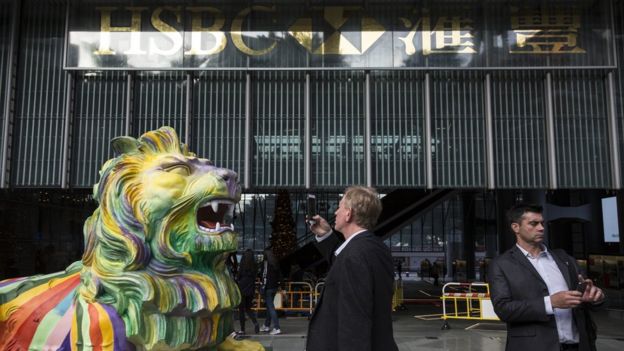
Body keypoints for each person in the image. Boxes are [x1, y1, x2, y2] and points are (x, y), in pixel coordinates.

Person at [488, 203, 605, 351]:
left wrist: (595, 297)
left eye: (542, 223)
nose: (541, 228)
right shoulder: (501, 264)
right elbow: (503, 309)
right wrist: (550, 303)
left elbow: (585, 298)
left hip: (579, 345)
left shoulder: (564, 258)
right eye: (533, 223)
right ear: (515, 227)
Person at [306, 186, 398, 351]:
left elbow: (354, 322)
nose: (335, 212)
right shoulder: (373, 248)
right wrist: (325, 235)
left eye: (339, 207)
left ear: (348, 214)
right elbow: (341, 258)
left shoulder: (355, 257)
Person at [236, 249, 260, 335]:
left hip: (242, 288)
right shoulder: (254, 265)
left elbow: (238, 276)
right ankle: (255, 322)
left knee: (241, 310)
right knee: (248, 308)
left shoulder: (242, 265)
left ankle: (242, 329)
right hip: (251, 288)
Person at [259, 248, 282, 335]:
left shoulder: (265, 264)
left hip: (268, 288)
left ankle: (277, 327)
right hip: (274, 287)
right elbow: (280, 275)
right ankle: (266, 325)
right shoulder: (275, 263)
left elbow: (262, 275)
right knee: (269, 307)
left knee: (271, 307)